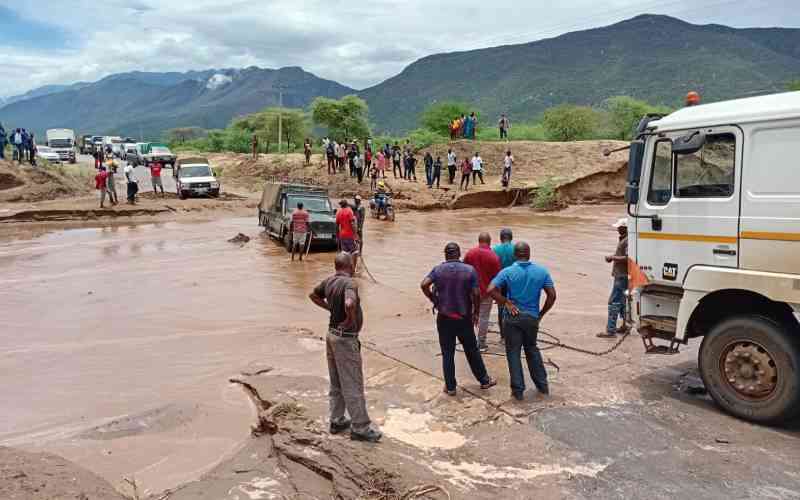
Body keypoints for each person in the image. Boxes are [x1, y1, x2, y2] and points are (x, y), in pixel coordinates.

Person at [309, 253, 382, 442]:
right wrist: (350, 319)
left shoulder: (329, 281)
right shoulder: (350, 283)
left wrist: (330, 308)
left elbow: (313, 295)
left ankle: (337, 420)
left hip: (331, 335)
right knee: (353, 383)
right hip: (345, 340)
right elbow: (350, 303)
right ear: (350, 265)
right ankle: (360, 428)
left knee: (336, 382)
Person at [420, 242, 497, 396]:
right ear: (459, 254)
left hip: (444, 317)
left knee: (447, 352)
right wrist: (476, 312)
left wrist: (433, 299)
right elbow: (476, 293)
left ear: (445, 255)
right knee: (472, 350)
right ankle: (484, 380)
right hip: (464, 318)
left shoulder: (438, 270)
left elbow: (424, 284)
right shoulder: (469, 270)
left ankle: (450, 387)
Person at [488, 241, 556, 401]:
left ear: (515, 255)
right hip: (532, 317)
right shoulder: (542, 271)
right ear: (529, 254)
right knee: (532, 349)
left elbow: (490, 289)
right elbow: (552, 296)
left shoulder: (507, 271)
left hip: (512, 317)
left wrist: (506, 302)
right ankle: (542, 386)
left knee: (513, 353)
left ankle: (518, 391)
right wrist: (541, 314)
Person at [464, 233, 501, 351]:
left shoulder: (470, 253)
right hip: (486, 293)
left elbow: (463, 271)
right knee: (484, 318)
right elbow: (497, 278)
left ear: (479, 240)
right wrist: (498, 295)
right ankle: (481, 343)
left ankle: (468, 342)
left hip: (470, 292)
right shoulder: (494, 257)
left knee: (470, 315)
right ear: (489, 241)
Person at [599, 218, 629, 338]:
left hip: (622, 275)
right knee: (623, 301)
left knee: (613, 301)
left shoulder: (627, 240)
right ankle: (625, 326)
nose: (617, 229)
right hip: (623, 275)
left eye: (619, 227)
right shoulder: (625, 239)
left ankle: (610, 330)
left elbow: (628, 258)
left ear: (625, 228)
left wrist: (612, 257)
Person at [492, 228, 515, 333]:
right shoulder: (516, 249)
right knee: (513, 305)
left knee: (501, 307)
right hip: (513, 282)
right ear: (511, 238)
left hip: (500, 283)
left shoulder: (495, 249)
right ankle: (512, 331)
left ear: (501, 238)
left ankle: (502, 333)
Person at [336, 199, 359, 272]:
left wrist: (337, 236)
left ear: (341, 205)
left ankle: (345, 270)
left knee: (345, 254)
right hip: (350, 236)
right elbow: (352, 224)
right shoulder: (349, 211)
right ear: (347, 204)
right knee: (355, 252)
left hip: (342, 236)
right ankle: (353, 270)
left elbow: (337, 225)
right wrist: (356, 235)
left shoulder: (338, 212)